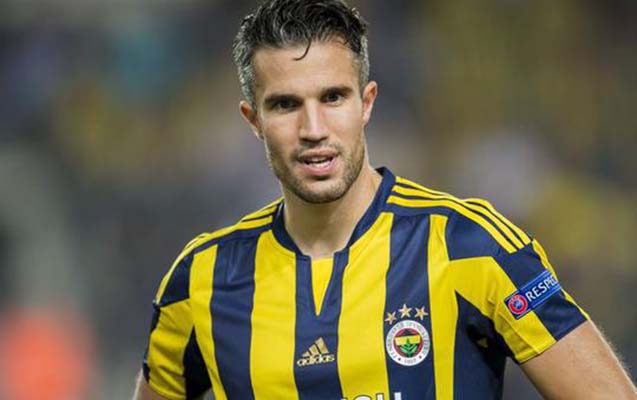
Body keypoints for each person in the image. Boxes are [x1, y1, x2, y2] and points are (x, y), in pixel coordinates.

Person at [134, 1, 637, 399]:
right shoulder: (200, 280)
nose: (313, 129)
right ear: (253, 121)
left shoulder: (470, 245)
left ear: (367, 103)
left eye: (333, 97)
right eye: (285, 105)